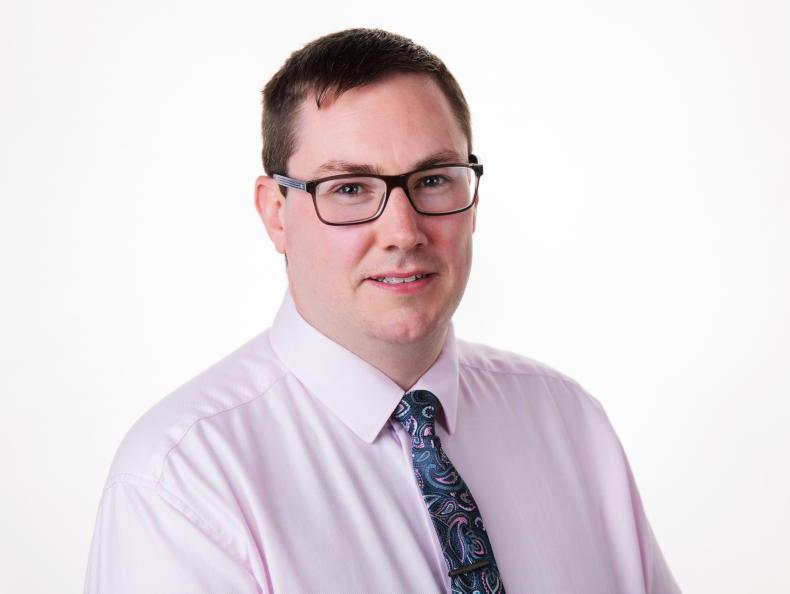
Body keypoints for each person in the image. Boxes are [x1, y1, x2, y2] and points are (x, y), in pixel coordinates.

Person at [84, 27, 681, 594]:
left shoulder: (571, 425)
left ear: (473, 198)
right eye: (349, 188)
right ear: (275, 213)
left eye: (433, 180)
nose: (402, 231)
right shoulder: (183, 481)